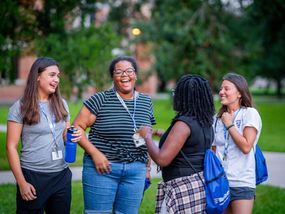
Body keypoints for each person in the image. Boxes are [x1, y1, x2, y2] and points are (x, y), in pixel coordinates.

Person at [72, 56, 156, 214]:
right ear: (113, 77)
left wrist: (146, 169)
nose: (125, 75)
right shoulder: (100, 99)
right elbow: (77, 127)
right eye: (119, 72)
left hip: (136, 171)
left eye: (129, 71)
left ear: (135, 75)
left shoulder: (146, 101)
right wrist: (95, 154)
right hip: (103, 169)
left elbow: (146, 137)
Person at [6, 57, 81, 214]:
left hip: (61, 175)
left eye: (58, 76)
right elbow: (11, 147)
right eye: (52, 75)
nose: (57, 80)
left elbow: (64, 136)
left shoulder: (62, 103)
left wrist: (72, 135)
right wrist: (22, 182)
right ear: (37, 76)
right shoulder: (19, 108)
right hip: (33, 176)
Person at [138, 74, 215, 213]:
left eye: (176, 92)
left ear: (185, 97)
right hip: (198, 187)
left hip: (182, 189)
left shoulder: (183, 124)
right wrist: (166, 135)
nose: (173, 96)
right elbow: (191, 145)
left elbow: (162, 159)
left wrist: (146, 137)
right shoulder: (205, 121)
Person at [212, 73, 262, 214]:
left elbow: (246, 146)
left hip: (242, 182)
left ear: (239, 92)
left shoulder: (249, 114)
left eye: (226, 89)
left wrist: (229, 124)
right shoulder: (216, 119)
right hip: (220, 182)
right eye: (221, 89)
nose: (221, 92)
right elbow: (214, 150)